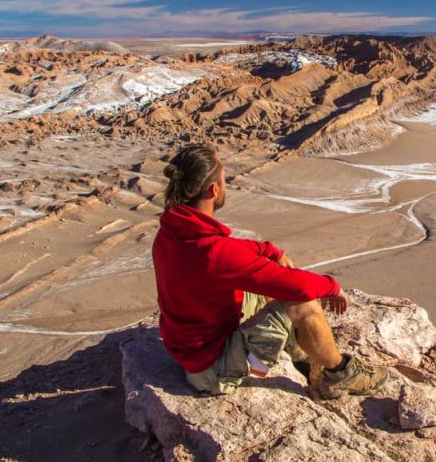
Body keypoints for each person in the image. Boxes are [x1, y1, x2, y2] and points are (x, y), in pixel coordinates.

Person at [151, 144, 388, 398]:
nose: (226, 185)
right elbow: (299, 286)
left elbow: (229, 252)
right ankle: (339, 374)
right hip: (216, 374)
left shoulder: (172, 232)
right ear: (213, 189)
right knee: (302, 301)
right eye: (224, 179)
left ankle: (299, 356)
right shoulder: (213, 253)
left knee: (268, 282)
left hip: (194, 351)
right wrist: (332, 286)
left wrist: (268, 250)